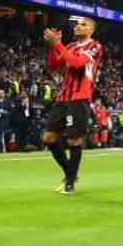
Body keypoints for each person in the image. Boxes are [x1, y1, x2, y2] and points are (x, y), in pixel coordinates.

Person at [42, 17, 104, 195]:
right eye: (78, 24)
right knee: (49, 138)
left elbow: (77, 64)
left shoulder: (95, 46)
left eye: (84, 24)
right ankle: (70, 173)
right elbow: (53, 66)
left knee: (73, 140)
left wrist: (58, 45)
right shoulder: (69, 46)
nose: (78, 26)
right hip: (63, 97)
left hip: (79, 97)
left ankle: (70, 181)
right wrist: (55, 46)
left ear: (91, 31)